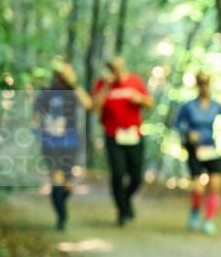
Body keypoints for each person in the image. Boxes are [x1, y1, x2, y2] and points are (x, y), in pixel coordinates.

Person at [173, 71, 221, 235]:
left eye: (206, 83)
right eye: (201, 83)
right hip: (194, 149)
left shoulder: (217, 105)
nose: (204, 87)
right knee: (198, 188)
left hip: (211, 147)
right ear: (197, 85)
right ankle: (195, 210)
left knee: (215, 185)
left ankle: (209, 219)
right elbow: (178, 124)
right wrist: (188, 132)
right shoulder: (188, 106)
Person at [92, 56, 153, 226]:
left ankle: (125, 201)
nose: (116, 72)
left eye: (118, 68)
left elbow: (150, 103)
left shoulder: (135, 82)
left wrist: (140, 99)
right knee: (118, 174)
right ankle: (122, 211)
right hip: (113, 135)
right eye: (112, 68)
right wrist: (106, 86)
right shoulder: (102, 84)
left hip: (134, 135)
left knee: (136, 177)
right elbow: (94, 108)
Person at [33, 60, 92, 230]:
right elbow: (35, 117)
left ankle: (61, 205)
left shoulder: (73, 92)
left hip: (70, 144)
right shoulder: (46, 93)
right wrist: (38, 132)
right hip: (50, 144)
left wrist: (73, 83)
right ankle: (61, 217)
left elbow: (88, 104)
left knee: (66, 184)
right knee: (56, 178)